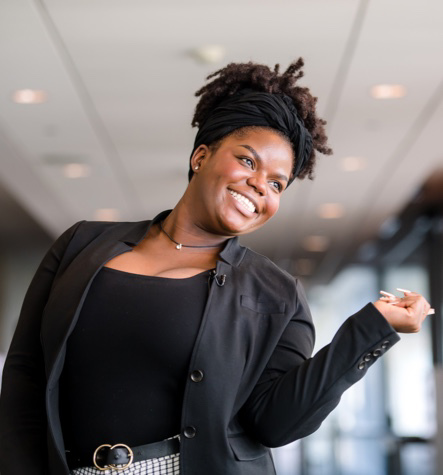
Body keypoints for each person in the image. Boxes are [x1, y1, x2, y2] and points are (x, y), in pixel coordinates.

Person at [0, 59, 431, 475]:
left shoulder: (275, 293)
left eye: (277, 183)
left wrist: (371, 329)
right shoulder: (81, 245)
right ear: (201, 156)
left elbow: (276, 424)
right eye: (247, 161)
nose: (260, 185)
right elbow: (24, 375)